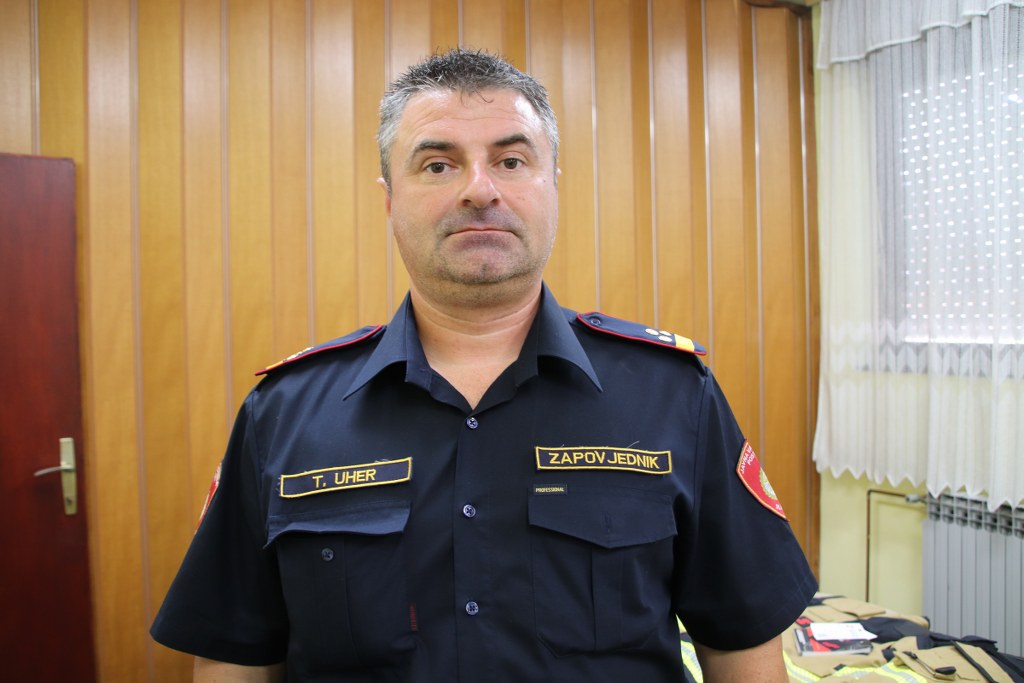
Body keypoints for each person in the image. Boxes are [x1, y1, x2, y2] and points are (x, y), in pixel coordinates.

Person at [151, 48, 817, 682]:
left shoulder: (674, 396)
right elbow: (235, 655)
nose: (479, 190)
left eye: (511, 160)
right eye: (438, 165)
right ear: (389, 199)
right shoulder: (283, 415)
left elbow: (742, 642)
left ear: (552, 185)